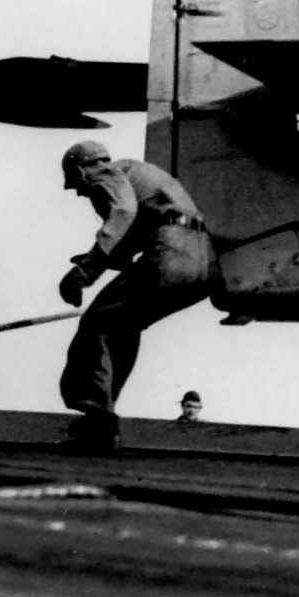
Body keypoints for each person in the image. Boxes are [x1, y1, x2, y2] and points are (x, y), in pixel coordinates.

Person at [56, 141, 217, 454]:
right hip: (203, 263)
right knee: (122, 325)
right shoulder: (143, 177)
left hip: (171, 254)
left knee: (96, 324)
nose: (78, 192)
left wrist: (84, 273)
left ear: (79, 169)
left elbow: (122, 211)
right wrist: (97, 261)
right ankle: (101, 419)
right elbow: (129, 240)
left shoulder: (109, 172)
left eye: (75, 183)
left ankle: (98, 421)